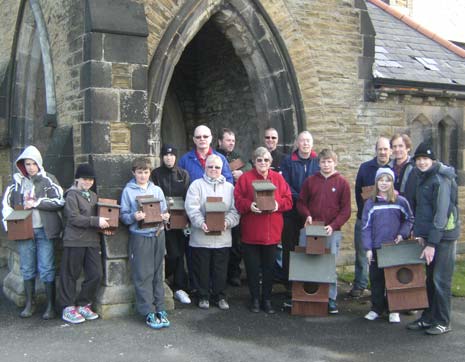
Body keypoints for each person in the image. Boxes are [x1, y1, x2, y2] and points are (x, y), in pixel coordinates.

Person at [2, 145, 64, 319]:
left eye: (32, 163)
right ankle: (30, 303)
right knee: (27, 268)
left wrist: (37, 202)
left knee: (46, 267)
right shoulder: (16, 183)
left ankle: (50, 306)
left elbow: (59, 200)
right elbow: (6, 206)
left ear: (39, 163)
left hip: (44, 231)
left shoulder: (48, 179)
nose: (30, 167)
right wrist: (10, 224)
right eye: (26, 164)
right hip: (24, 231)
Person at [407, 142, 460, 335]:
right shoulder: (423, 177)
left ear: (433, 160)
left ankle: (443, 321)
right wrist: (421, 234)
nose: (421, 162)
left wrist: (431, 244)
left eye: (425, 159)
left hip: (443, 237)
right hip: (430, 237)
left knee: (441, 280)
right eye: (419, 159)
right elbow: (423, 210)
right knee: (429, 280)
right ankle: (428, 317)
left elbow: (441, 215)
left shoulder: (440, 179)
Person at [234, 147, 292, 314]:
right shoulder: (245, 179)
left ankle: (266, 299)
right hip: (251, 233)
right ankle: (254, 299)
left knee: (269, 269)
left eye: (266, 160)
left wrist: (277, 204)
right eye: (259, 160)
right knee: (252, 269)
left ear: (271, 162)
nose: (263, 163)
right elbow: (237, 200)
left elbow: (288, 200)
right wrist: (249, 205)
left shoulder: (278, 180)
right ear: (254, 161)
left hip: (271, 233)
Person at [296, 149, 351, 314]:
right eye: (323, 162)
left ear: (335, 162)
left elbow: (346, 210)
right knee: (306, 262)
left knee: (329, 265)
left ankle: (331, 299)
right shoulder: (310, 181)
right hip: (311, 230)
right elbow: (301, 202)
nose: (326, 165)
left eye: (329, 161)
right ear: (318, 163)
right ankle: (306, 296)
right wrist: (307, 215)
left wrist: (333, 226)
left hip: (330, 231)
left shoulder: (342, 183)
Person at [120, 157, 171, 329]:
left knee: (157, 274)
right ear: (134, 173)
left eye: (146, 172)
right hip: (140, 236)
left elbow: (164, 211)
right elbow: (124, 216)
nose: (143, 175)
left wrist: (165, 217)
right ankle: (148, 311)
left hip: (158, 234)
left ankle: (160, 308)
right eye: (140, 172)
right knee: (143, 275)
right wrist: (134, 217)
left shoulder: (157, 190)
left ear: (150, 173)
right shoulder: (128, 191)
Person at [184, 154, 240, 310]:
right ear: (205, 167)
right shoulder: (196, 185)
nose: (213, 170)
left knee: (220, 269)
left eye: (217, 167)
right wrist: (201, 223)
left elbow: (235, 210)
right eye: (210, 167)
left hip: (222, 237)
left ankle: (220, 296)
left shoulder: (229, 188)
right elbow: (191, 207)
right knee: (202, 269)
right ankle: (203, 296)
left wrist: (226, 223)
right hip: (201, 236)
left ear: (222, 169)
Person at [58, 164, 111, 324]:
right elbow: (73, 218)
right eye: (85, 179)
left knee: (96, 274)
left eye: (90, 179)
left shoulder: (93, 196)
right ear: (77, 179)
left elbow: (101, 216)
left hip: (92, 241)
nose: (88, 182)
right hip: (74, 241)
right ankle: (67, 307)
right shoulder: (71, 195)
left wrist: (106, 226)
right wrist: (96, 221)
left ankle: (82, 304)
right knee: (70, 275)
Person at [362, 168, 414, 323]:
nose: (384, 183)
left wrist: (402, 234)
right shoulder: (371, 203)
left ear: (392, 183)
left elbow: (409, 219)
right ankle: (377, 308)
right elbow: (366, 227)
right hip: (377, 248)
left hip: (394, 248)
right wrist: (368, 248)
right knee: (376, 279)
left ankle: (394, 309)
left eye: (387, 180)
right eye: (381, 180)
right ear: (376, 182)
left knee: (393, 279)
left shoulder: (400, 201)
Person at [350, 136, 392, 298]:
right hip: (365, 218)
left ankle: (387, 289)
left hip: (386, 221)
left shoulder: (394, 168)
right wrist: (365, 213)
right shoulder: (365, 167)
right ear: (376, 150)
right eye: (380, 149)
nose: (382, 152)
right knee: (362, 253)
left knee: (385, 255)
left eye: (385, 149)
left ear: (390, 151)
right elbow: (358, 192)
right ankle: (360, 285)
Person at [151, 144, 191, 304]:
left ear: (176, 157)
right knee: (164, 253)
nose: (169, 158)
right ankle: (164, 280)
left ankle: (180, 287)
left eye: (172, 155)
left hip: (179, 217)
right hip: (161, 218)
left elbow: (188, 196)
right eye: (166, 155)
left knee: (178, 253)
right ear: (162, 157)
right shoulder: (156, 174)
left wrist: (187, 219)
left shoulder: (183, 174)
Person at [280, 131, 319, 284]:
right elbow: (285, 185)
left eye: (308, 140)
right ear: (297, 143)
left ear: (312, 143)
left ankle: (307, 281)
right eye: (302, 140)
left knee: (310, 247)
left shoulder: (318, 161)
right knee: (290, 247)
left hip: (311, 213)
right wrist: (300, 198)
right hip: (291, 212)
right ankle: (289, 282)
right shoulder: (288, 161)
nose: (305, 143)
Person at [216, 128, 251, 287]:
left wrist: (242, 172)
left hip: (234, 204)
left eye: (233, 141)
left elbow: (250, 170)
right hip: (217, 201)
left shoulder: (238, 158)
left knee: (236, 243)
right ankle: (218, 276)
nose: (231, 143)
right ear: (220, 142)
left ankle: (234, 273)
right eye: (228, 140)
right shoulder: (214, 157)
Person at [389, 133, 416, 208]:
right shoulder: (387, 168)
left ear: (408, 148)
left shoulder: (415, 167)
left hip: (410, 210)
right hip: (392, 210)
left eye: (400, 146)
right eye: (394, 146)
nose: (397, 149)